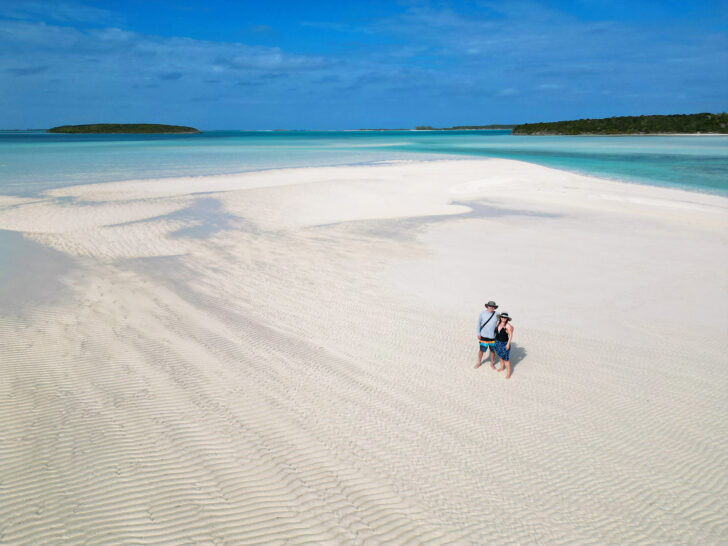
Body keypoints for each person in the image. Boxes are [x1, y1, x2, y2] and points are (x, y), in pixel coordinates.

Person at [475, 301, 499, 369]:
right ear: (487, 306)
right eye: (490, 306)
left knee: (492, 351)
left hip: (493, 337)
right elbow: (478, 324)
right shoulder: (482, 313)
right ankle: (479, 362)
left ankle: (492, 364)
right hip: (483, 336)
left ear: (494, 308)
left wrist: (509, 327)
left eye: (492, 306)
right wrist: (478, 333)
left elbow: (502, 323)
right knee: (481, 350)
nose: (491, 307)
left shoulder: (497, 314)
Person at [494, 312, 514, 379]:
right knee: (500, 356)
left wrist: (508, 344)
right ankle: (502, 367)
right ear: (500, 317)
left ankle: (508, 374)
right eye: (502, 317)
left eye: (505, 318)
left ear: (507, 319)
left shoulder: (508, 325)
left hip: (504, 343)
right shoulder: (498, 323)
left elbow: (510, 335)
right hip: (497, 342)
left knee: (506, 359)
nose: (503, 318)